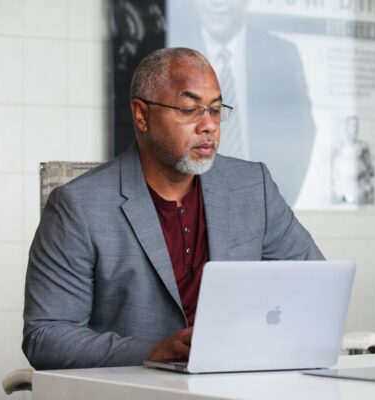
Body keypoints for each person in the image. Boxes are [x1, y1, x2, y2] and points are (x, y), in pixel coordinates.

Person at [22, 48, 324, 370]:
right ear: (142, 115)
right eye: (189, 109)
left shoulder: (252, 186)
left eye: (215, 109)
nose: (209, 126)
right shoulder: (78, 207)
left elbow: (314, 283)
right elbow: (46, 336)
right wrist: (154, 351)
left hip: (238, 379)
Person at [168, 0, 316, 206]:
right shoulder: (166, 57)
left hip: (259, 206)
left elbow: (302, 136)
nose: (217, 4)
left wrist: (275, 207)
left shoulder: (281, 55)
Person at [331, 116, 375, 205]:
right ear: (347, 128)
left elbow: (370, 170)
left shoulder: (363, 146)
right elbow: (333, 170)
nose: (354, 129)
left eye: (356, 126)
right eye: (351, 126)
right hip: (342, 188)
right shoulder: (339, 147)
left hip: (359, 189)